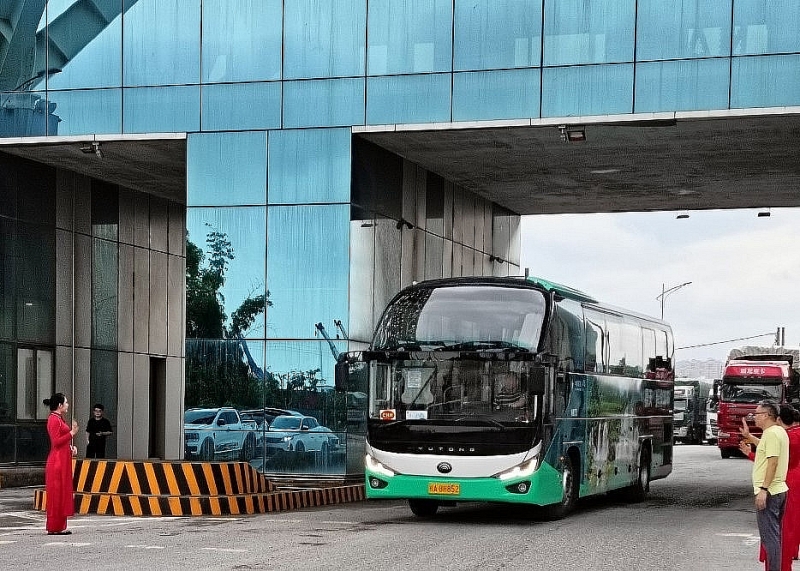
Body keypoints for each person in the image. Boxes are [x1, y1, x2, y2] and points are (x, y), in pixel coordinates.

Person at [741, 405, 800, 571]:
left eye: (757, 414)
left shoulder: (773, 433)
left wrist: (763, 489)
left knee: (771, 537)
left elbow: (772, 461)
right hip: (781, 488)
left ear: (767, 415)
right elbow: (767, 448)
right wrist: (749, 437)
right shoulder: (779, 432)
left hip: (772, 490)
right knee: (776, 534)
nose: (754, 417)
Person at [43, 392, 79, 535]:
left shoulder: (58, 419)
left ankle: (58, 526)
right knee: (57, 494)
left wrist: (70, 448)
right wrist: (71, 433)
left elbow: (61, 442)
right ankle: (54, 526)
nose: (67, 405)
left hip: (61, 459)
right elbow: (56, 442)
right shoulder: (54, 420)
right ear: (59, 405)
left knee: (61, 493)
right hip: (57, 462)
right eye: (66, 402)